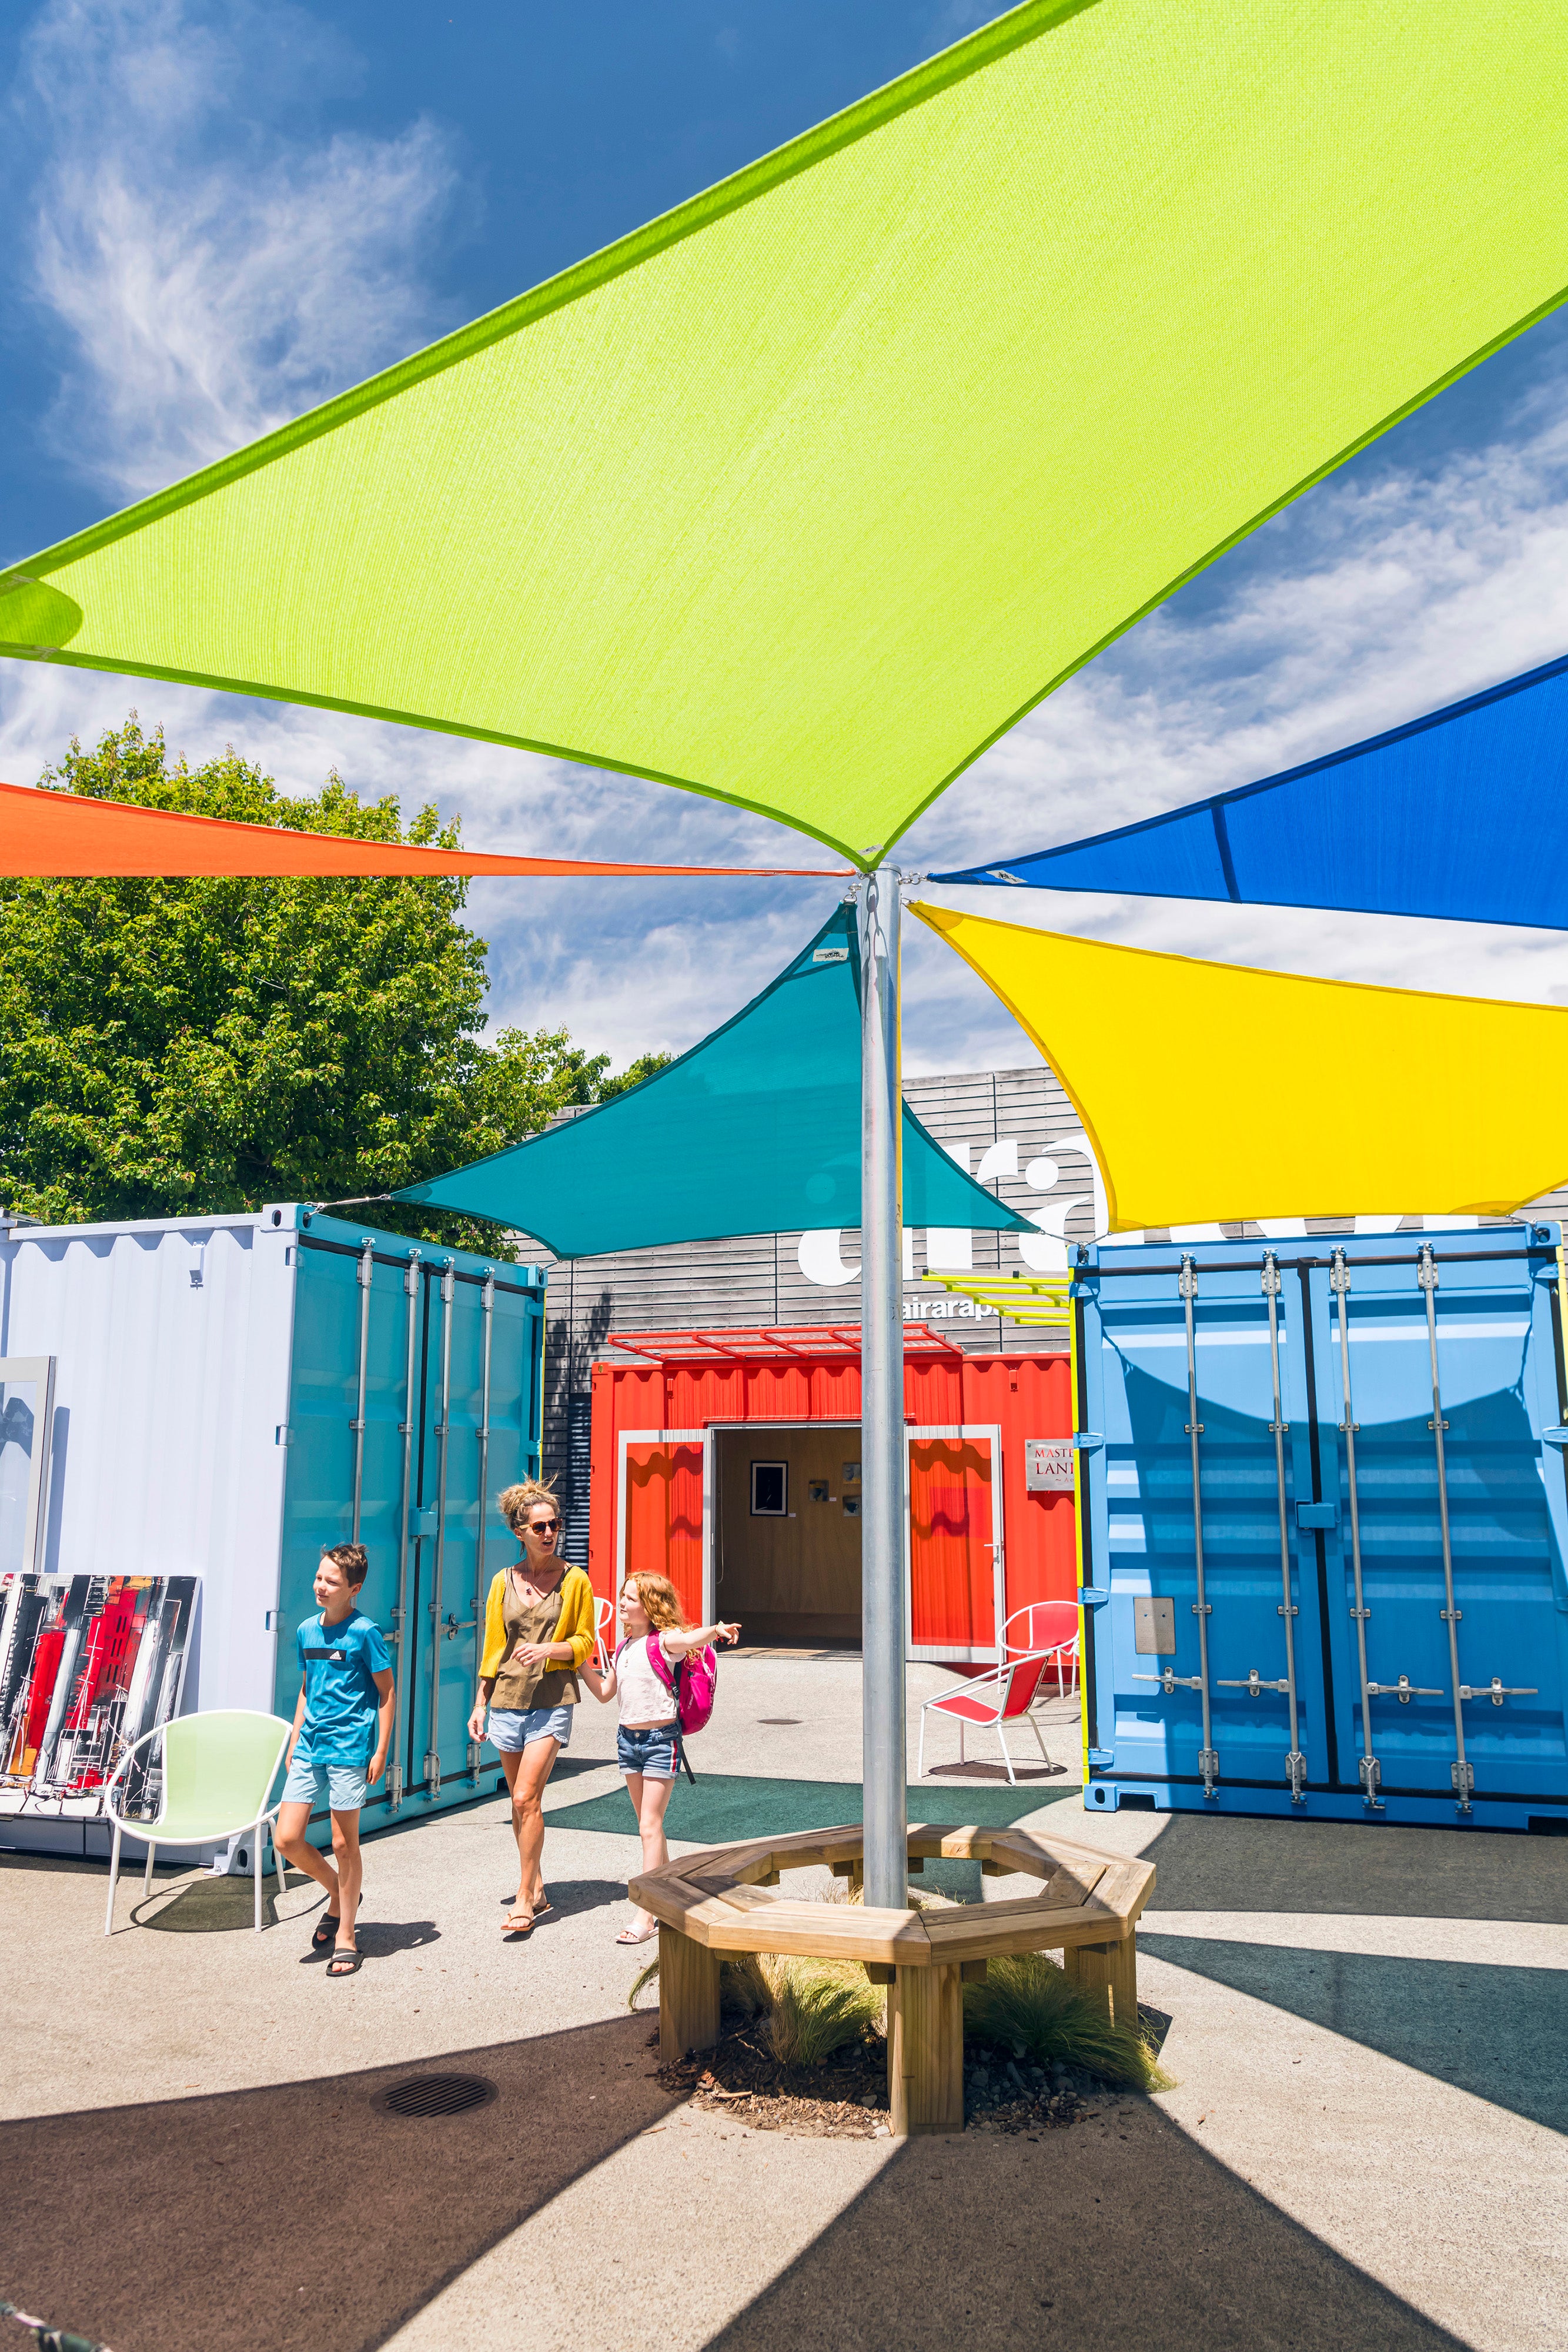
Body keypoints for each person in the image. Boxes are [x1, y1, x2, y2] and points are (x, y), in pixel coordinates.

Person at [468, 1478, 597, 1937]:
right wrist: (480, 1703)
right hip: (505, 1699)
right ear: (519, 1531)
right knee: (520, 1805)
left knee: (526, 1797)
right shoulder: (503, 1581)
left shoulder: (574, 1579)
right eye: (539, 1526)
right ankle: (536, 1884)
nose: (549, 1533)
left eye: (555, 1524)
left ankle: (524, 1899)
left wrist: (549, 1651)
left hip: (551, 1700)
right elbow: (492, 1645)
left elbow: (585, 1642)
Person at [583, 1573, 739, 1945]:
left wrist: (715, 1629)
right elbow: (606, 1694)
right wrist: (578, 1662)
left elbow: (689, 1638)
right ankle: (667, 1895)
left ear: (650, 1605)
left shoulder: (663, 1642)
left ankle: (646, 1913)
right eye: (621, 1596)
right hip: (627, 1741)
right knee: (648, 1826)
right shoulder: (623, 1647)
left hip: (659, 1741)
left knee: (649, 1826)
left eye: (630, 1598)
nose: (621, 1603)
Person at [275, 1542, 394, 1978]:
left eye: (332, 1581)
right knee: (287, 1840)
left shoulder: (366, 1633)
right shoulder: (307, 1630)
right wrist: (293, 1739)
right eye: (320, 1577)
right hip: (309, 1746)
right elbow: (308, 1687)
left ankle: (347, 1934)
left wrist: (380, 1749)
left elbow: (386, 1693)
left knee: (345, 1845)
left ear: (354, 1588)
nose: (321, 1586)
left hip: (350, 1749)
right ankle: (340, 1893)